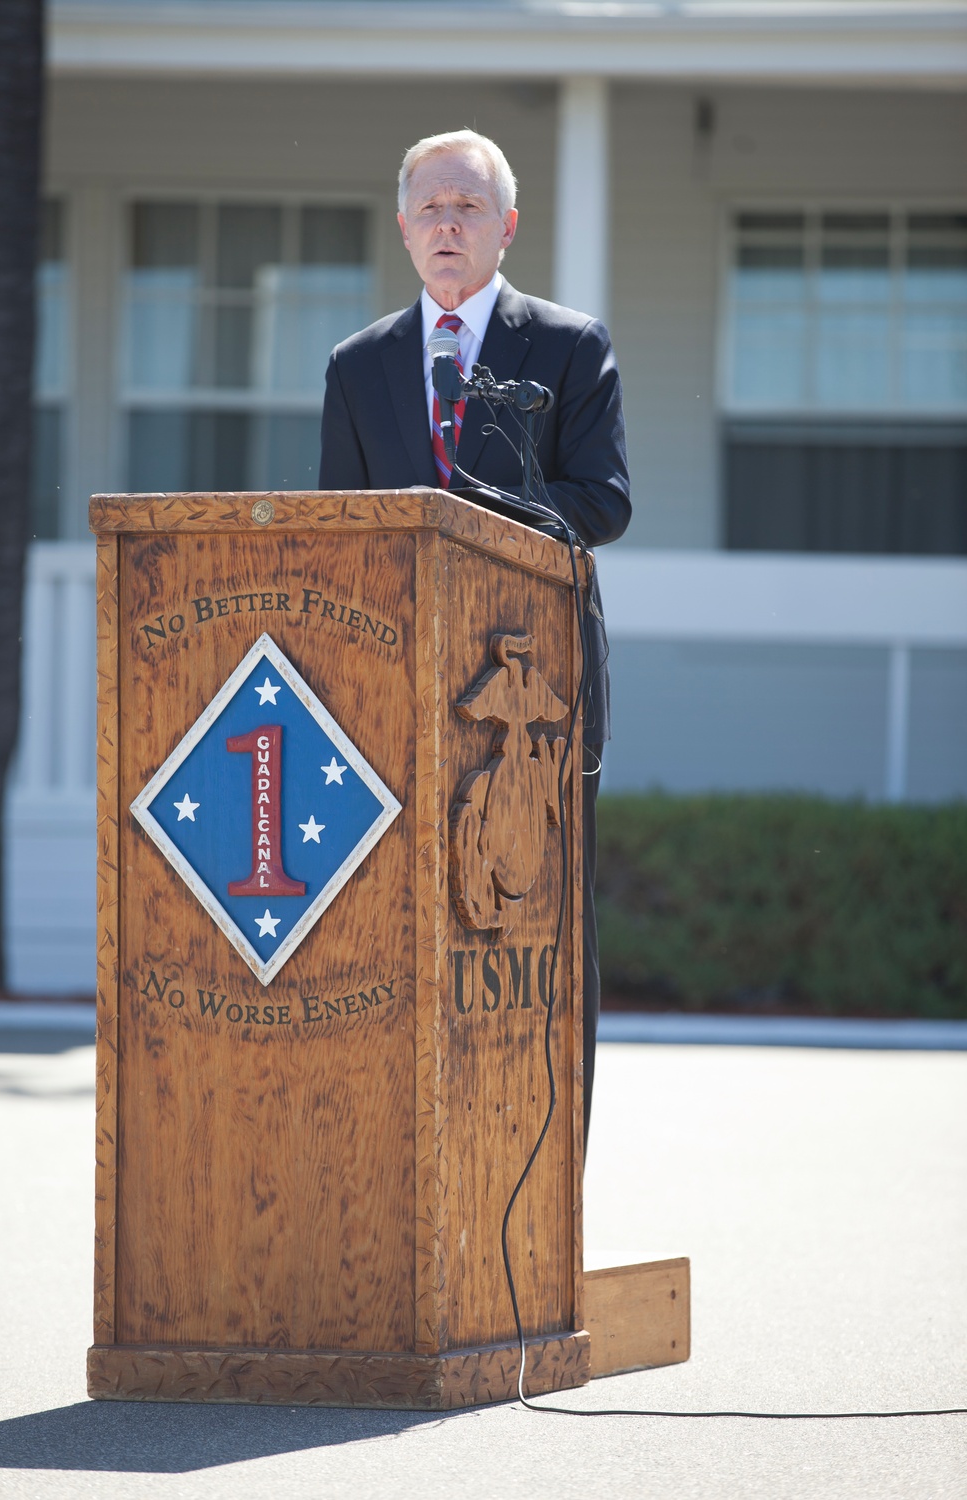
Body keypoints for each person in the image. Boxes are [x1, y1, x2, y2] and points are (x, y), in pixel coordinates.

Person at [320, 129, 630, 1148]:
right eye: (429, 207)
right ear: (404, 226)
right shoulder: (358, 365)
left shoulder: (568, 346)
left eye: (468, 206)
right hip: (397, 682)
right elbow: (343, 529)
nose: (447, 223)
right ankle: (409, 1158)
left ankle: (549, 1183)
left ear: (506, 226)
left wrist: (478, 510)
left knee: (542, 928)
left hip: (533, 691)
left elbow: (605, 504)